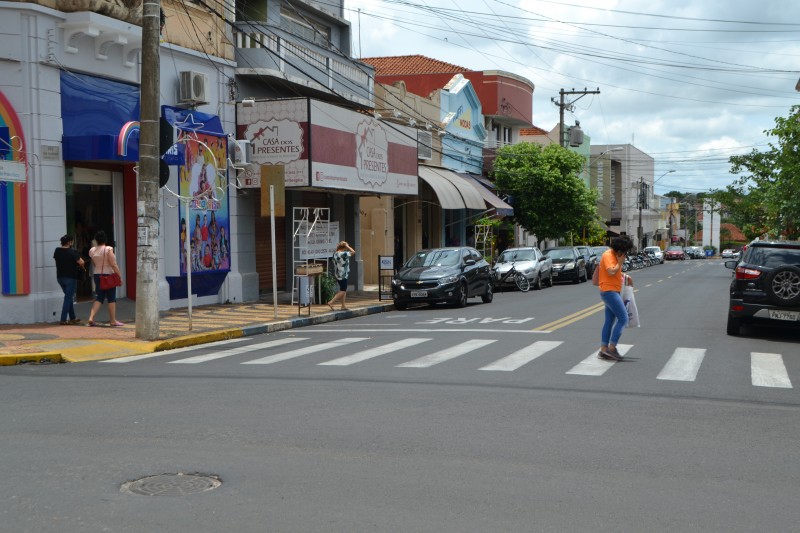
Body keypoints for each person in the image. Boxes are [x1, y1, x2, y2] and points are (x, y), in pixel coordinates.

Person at [597, 235, 635, 361]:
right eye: (624, 251)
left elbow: (615, 272)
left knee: (609, 321)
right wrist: (620, 263)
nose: (625, 254)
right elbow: (611, 271)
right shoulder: (609, 255)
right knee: (623, 318)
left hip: (611, 290)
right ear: (620, 249)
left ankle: (604, 349)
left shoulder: (614, 255)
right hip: (609, 291)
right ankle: (612, 348)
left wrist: (625, 275)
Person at [87, 230, 124, 327]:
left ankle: (91, 317)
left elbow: (94, 263)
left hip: (97, 275)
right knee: (111, 298)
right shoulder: (108, 249)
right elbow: (114, 264)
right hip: (108, 275)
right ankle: (113, 320)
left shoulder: (92, 250)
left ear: (96, 240)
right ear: (105, 239)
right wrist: (119, 276)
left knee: (99, 297)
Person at [53, 234, 85, 325]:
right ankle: (63, 319)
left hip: (60, 277)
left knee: (69, 297)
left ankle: (72, 318)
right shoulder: (72, 252)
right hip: (70, 278)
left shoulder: (57, 251)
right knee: (68, 298)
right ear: (69, 242)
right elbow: (81, 262)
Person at [327, 241, 356, 311]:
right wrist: (348, 246)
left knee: (343, 290)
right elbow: (353, 252)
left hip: (338, 274)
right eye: (345, 247)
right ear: (344, 247)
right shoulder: (342, 254)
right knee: (343, 290)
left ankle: (343, 306)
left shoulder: (335, 253)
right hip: (342, 274)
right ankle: (331, 302)